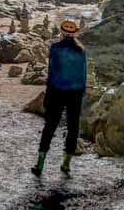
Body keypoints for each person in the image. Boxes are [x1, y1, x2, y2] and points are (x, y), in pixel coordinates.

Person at [31, 19, 87, 177]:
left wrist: (48, 94)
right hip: (75, 92)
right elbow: (83, 74)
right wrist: (81, 91)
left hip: (57, 90)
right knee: (73, 127)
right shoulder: (81, 50)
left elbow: (52, 73)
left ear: (62, 32)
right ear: (75, 33)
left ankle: (40, 163)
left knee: (50, 126)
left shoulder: (55, 48)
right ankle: (66, 163)